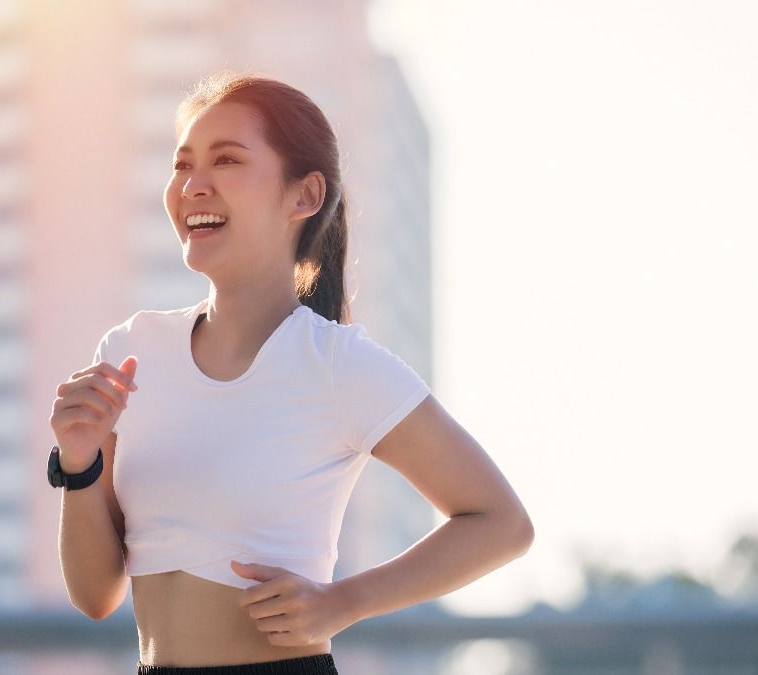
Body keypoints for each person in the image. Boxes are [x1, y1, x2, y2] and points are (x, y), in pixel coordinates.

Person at [48, 70, 535, 674]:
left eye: (226, 161)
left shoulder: (338, 366)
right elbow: (96, 596)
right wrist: (79, 461)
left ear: (303, 196)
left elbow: (501, 523)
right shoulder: (131, 350)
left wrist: (343, 603)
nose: (193, 185)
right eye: (182, 165)